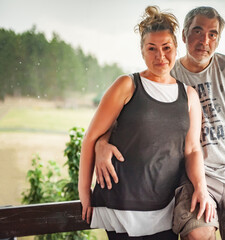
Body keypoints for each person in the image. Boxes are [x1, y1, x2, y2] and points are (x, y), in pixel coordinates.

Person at [95, 6, 225, 240]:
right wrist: (100, 143)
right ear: (183, 36)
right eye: (197, 31)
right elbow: (124, 115)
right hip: (194, 177)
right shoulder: (166, 72)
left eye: (212, 34)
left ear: (218, 39)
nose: (204, 40)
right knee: (197, 234)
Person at [78, 6, 215, 240]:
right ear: (142, 51)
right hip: (122, 205)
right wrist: (84, 194)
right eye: (151, 48)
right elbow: (91, 137)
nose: (160, 56)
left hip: (166, 204)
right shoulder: (127, 85)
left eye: (166, 48)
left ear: (175, 48)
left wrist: (201, 187)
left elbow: (192, 149)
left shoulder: (189, 95)